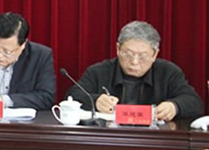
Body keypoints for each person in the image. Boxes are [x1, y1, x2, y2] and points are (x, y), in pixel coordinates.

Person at [66, 20, 203, 121]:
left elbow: (194, 102)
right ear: (118, 49)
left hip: (155, 141)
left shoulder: (168, 72)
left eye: (142, 56)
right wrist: (95, 101)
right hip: (109, 139)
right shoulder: (98, 72)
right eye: (128, 54)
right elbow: (73, 95)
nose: (134, 62)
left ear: (154, 54)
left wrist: (175, 106)